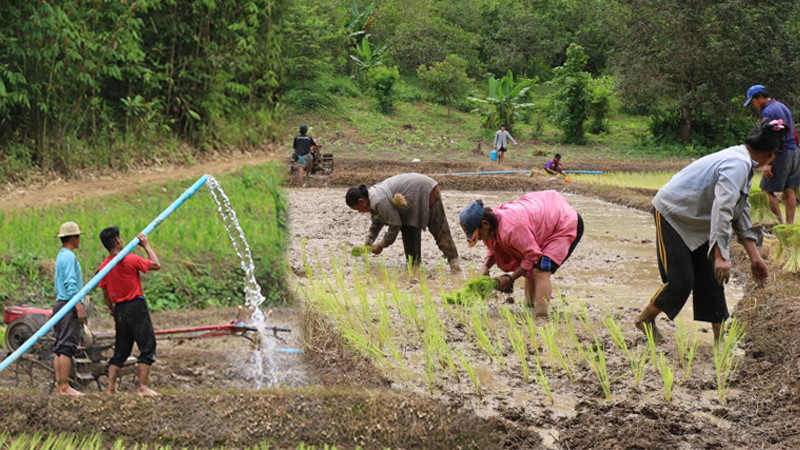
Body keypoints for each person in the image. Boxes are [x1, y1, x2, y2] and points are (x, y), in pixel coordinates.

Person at [635, 119, 784, 343]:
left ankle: (719, 341)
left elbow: (739, 213)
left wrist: (755, 258)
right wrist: (721, 255)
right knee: (681, 281)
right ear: (773, 153)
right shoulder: (737, 165)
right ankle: (645, 320)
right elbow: (722, 210)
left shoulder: (744, 163)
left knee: (713, 280)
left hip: (701, 221)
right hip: (674, 214)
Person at [459, 191, 583, 316]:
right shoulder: (492, 221)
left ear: (485, 224)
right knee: (529, 271)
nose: (480, 239)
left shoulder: (511, 228)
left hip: (564, 223)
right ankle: (529, 307)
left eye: (479, 235)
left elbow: (532, 256)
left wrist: (510, 278)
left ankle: (541, 315)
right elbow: (494, 247)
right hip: (544, 217)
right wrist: (485, 267)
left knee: (541, 270)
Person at [346, 173, 461, 272]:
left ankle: (455, 265)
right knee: (408, 227)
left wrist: (382, 245)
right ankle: (414, 266)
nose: (359, 212)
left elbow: (395, 224)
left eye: (357, 209)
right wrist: (370, 238)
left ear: (361, 201)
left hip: (423, 189)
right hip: (412, 194)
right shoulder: (371, 199)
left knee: (439, 229)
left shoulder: (379, 200)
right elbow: (378, 220)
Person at [98, 227, 161, 396]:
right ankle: (143, 387)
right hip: (136, 306)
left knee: (121, 350)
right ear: (118, 241)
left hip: (119, 309)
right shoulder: (130, 259)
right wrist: (146, 246)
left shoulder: (104, 266)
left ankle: (110, 388)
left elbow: (104, 292)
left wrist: (113, 311)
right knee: (147, 346)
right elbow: (156, 265)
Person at [744, 85, 800, 224]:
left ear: (760, 97)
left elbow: (771, 138)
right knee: (789, 190)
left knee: (766, 190)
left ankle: (779, 224)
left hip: (780, 153)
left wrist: (768, 164)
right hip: (794, 151)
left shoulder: (767, 111)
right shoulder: (782, 106)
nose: (754, 105)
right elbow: (792, 131)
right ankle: (789, 225)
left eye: (753, 101)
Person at [52, 221, 88, 396]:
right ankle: (65, 386)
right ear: (73, 238)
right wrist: (79, 306)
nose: (79, 240)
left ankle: (61, 386)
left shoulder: (61, 256)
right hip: (68, 304)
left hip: (60, 304)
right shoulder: (69, 257)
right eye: (78, 237)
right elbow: (71, 285)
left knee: (59, 346)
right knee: (66, 346)